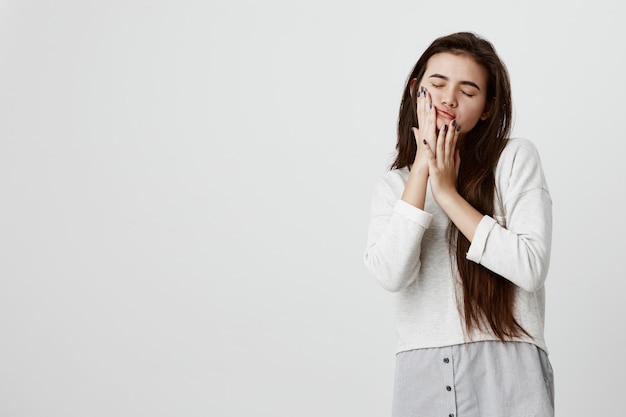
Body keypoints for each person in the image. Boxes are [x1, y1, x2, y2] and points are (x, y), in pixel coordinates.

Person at [363, 32, 554, 417]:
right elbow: (390, 274)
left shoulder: (514, 160)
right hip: (421, 371)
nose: (449, 99)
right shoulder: (394, 185)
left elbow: (530, 267)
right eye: (437, 84)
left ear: (487, 107)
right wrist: (422, 167)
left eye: (468, 91)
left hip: (508, 365)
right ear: (416, 90)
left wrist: (448, 194)